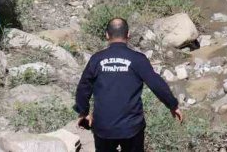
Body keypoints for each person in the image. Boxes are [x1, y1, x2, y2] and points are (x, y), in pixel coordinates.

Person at [75, 18, 183, 152]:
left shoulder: (96, 59)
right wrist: (173, 105)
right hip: (131, 127)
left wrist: (83, 112)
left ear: (107, 35)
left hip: (103, 127)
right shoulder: (138, 59)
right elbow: (156, 84)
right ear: (128, 35)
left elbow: (83, 87)